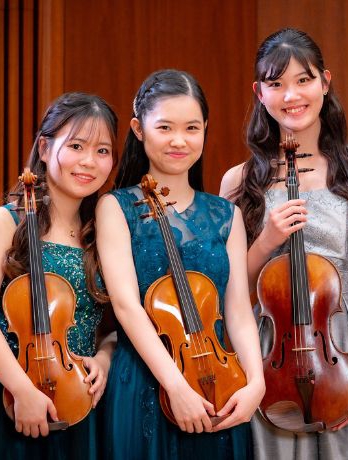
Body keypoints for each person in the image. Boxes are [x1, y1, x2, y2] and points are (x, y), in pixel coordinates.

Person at [220, 28, 348, 459]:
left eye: (303, 80)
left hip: (343, 341)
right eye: (276, 84)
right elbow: (231, 287)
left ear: (325, 82)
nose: (291, 95)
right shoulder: (239, 180)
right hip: (272, 347)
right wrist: (267, 241)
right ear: (259, 93)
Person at [0, 92, 119, 459]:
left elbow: (113, 325)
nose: (89, 161)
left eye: (102, 151)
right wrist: (22, 390)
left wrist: (104, 358)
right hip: (8, 393)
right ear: (45, 148)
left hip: (80, 397)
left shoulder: (101, 233)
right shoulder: (4, 221)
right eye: (76, 146)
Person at [96, 69, 265, 460]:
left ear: (205, 129)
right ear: (139, 130)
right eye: (165, 127)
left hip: (220, 385)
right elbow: (126, 306)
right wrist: (175, 386)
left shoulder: (227, 214)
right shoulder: (116, 207)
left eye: (191, 128)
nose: (179, 140)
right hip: (145, 384)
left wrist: (255, 382)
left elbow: (238, 311)